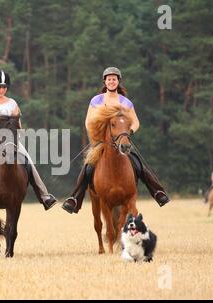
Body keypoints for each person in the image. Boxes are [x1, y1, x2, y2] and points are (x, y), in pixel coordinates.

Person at [62, 67, 170, 214]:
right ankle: (74, 198)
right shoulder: (96, 100)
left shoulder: (126, 102)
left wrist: (128, 133)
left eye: (114, 79)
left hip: (122, 141)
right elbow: (88, 122)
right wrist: (96, 136)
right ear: (105, 81)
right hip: (101, 141)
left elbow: (136, 122)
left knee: (139, 165)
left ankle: (158, 192)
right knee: (88, 168)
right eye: (109, 79)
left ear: (118, 81)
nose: (111, 81)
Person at [0, 70, 57, 210]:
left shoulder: (12, 103)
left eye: (5, 87)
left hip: (9, 140)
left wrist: (17, 135)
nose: (2, 89)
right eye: (0, 86)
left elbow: (18, 125)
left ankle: (44, 196)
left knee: (28, 162)